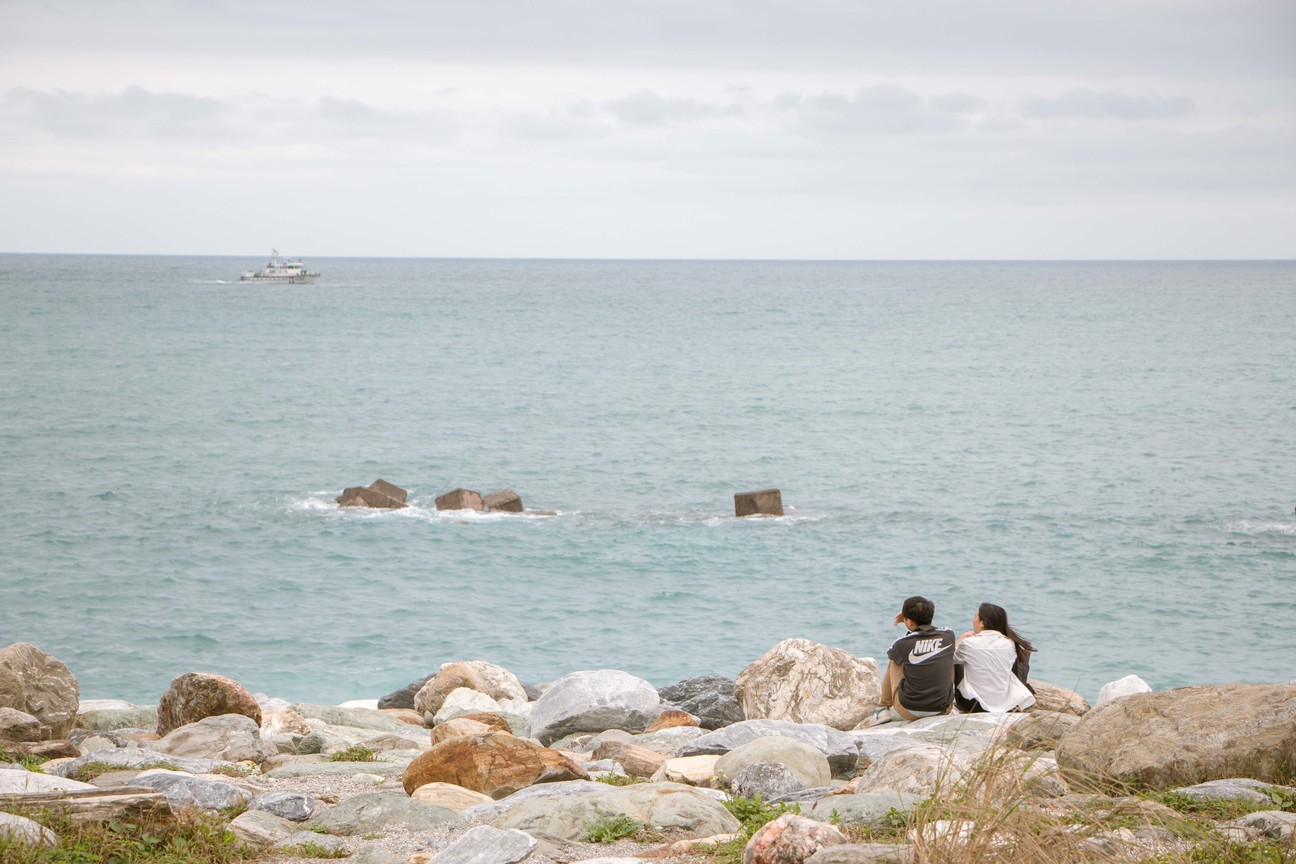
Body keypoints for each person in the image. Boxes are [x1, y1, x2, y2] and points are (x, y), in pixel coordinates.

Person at [868, 595, 955, 726]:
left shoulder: (901, 643)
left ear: (909, 622)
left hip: (909, 710)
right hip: (942, 709)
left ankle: (882, 708)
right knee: (948, 653)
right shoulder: (948, 635)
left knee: (895, 659)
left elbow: (893, 652)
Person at [953, 602, 1037, 713]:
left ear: (982, 623)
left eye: (975, 617)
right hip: (1006, 704)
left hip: (973, 704)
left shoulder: (969, 643)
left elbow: (951, 659)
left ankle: (945, 701)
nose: (973, 621)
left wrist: (960, 640)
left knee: (956, 661)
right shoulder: (1009, 643)